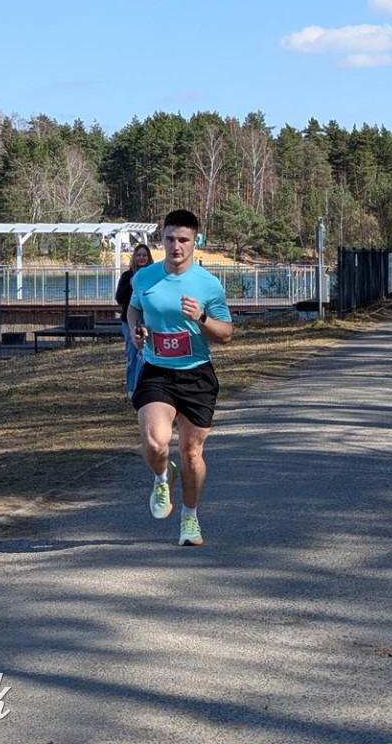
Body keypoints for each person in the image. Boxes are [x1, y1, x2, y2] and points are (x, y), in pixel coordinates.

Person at [127, 210, 232, 546]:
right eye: (170, 238)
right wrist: (135, 331)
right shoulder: (144, 278)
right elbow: (134, 308)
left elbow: (226, 333)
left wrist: (201, 317)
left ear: (195, 241)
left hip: (196, 374)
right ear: (162, 238)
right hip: (157, 370)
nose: (176, 246)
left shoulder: (208, 284)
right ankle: (161, 475)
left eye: (183, 240)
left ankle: (190, 518)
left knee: (191, 453)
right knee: (156, 441)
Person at [115, 243, 154, 398]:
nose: (141, 258)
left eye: (144, 255)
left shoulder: (152, 275)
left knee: (147, 354)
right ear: (134, 258)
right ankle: (132, 388)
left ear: (149, 257)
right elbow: (119, 298)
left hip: (149, 320)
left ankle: (147, 386)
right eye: (139, 255)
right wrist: (131, 286)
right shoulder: (127, 276)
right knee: (133, 353)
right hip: (129, 320)